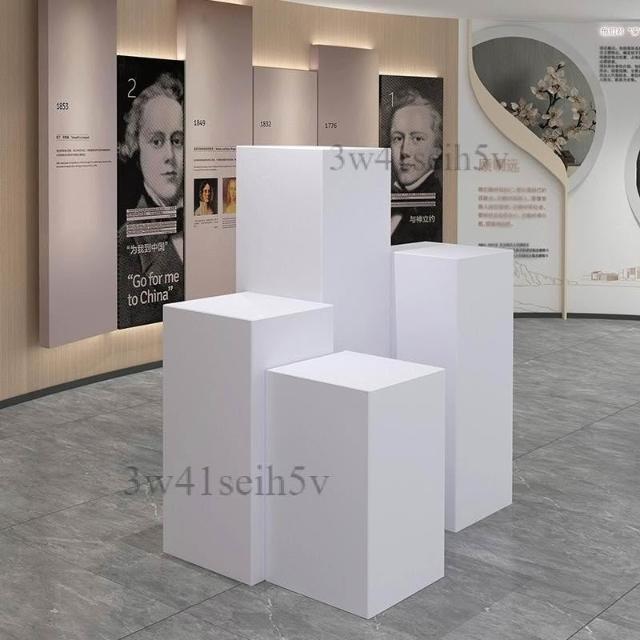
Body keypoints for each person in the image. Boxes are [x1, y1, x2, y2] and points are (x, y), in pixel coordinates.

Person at [117, 72, 185, 328]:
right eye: (156, 141)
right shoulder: (124, 247)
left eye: (177, 141)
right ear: (137, 147)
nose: (170, 155)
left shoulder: (205, 222)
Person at [385, 87, 443, 245]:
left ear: (436, 149)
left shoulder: (441, 209)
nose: (405, 151)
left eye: (417, 139)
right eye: (397, 138)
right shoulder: (381, 201)